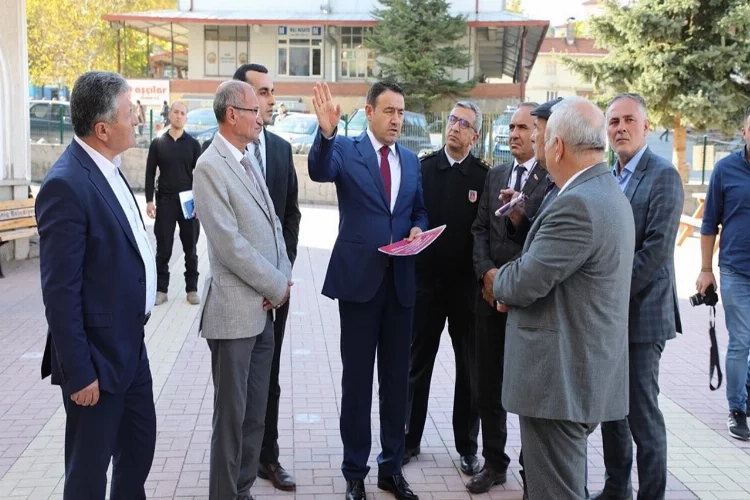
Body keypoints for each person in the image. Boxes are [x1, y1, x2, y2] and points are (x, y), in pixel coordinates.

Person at [493, 97, 635, 499]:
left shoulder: (577, 204)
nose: (537, 147)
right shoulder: (604, 190)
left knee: (555, 492)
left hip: (558, 382)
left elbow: (524, 281)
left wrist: (498, 281)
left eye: (541, 139)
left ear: (557, 147)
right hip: (576, 375)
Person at [36, 70, 157, 499]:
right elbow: (59, 291)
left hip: (129, 345)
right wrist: (80, 372)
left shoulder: (109, 167)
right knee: (88, 474)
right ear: (103, 128)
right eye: (131, 112)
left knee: (139, 449)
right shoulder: (65, 185)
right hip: (96, 360)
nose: (138, 119)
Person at [308, 81, 428, 500]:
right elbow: (320, 170)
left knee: (397, 383)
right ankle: (354, 472)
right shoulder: (346, 150)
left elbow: (418, 210)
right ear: (370, 112)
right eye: (390, 111)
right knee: (357, 384)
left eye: (402, 112)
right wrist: (325, 134)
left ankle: (390, 468)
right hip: (359, 284)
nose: (397, 119)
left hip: (400, 286)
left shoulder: (412, 162)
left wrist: (417, 228)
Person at [193, 80, 293, 500]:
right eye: (254, 110)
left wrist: (282, 277)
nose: (262, 116)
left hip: (264, 309)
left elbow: (275, 225)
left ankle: (244, 489)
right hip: (235, 314)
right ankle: (224, 494)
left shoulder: (249, 157)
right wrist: (275, 283)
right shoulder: (209, 166)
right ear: (232, 114)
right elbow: (229, 244)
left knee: (255, 415)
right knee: (231, 419)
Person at [589, 93, 684, 500]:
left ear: (646, 127)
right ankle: (616, 490)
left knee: (642, 417)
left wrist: (607, 293)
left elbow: (656, 251)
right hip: (610, 318)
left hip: (642, 317)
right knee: (613, 413)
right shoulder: (608, 176)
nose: (621, 128)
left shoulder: (663, 175)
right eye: (613, 122)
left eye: (629, 121)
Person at [403, 101, 487, 476]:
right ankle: (408, 438)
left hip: (466, 291)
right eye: (452, 120)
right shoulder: (423, 170)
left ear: (475, 135)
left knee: (469, 370)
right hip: (426, 286)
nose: (454, 127)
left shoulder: (484, 179)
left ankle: (468, 446)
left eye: (463, 123)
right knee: (416, 364)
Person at [468, 102, 548, 493]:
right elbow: (480, 228)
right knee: (488, 384)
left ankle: (531, 468)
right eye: (510, 127)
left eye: (522, 127)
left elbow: (542, 242)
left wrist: (511, 284)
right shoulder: (495, 173)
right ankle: (494, 462)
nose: (514, 134)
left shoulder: (550, 180)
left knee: (528, 388)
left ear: (539, 133)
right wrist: (487, 274)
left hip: (526, 302)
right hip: (488, 297)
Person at [500, 97, 562, 500]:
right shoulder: (563, 187)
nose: (530, 137)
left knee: (555, 459)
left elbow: (536, 268)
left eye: (536, 130)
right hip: (528, 317)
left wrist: (502, 283)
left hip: (551, 330)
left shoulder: (569, 194)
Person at [696, 105, 750, 441]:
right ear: (744, 132)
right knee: (741, 341)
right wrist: (705, 269)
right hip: (734, 270)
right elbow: (708, 223)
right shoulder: (725, 169)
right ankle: (737, 410)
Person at [145, 101, 202, 306]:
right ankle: (161, 289)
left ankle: (192, 289)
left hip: (188, 203)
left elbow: (202, 176)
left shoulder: (193, 145)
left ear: (186, 118)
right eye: (176, 112)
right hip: (166, 201)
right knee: (164, 248)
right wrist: (149, 201)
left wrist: (200, 203)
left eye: (182, 113)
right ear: (170, 115)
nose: (179, 116)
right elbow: (150, 172)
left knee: (191, 249)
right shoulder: (158, 142)